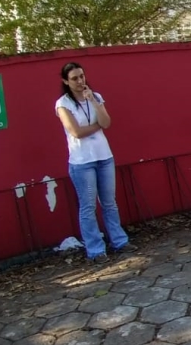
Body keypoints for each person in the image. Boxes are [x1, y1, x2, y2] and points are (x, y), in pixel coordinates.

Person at [55, 62, 136, 263]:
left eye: (81, 76)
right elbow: (76, 132)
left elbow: (107, 123)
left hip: (104, 157)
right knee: (88, 207)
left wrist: (93, 102)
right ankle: (95, 250)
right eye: (74, 78)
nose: (80, 81)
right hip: (82, 162)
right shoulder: (63, 103)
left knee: (110, 203)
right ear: (66, 81)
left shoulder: (95, 96)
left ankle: (119, 241)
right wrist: (96, 126)